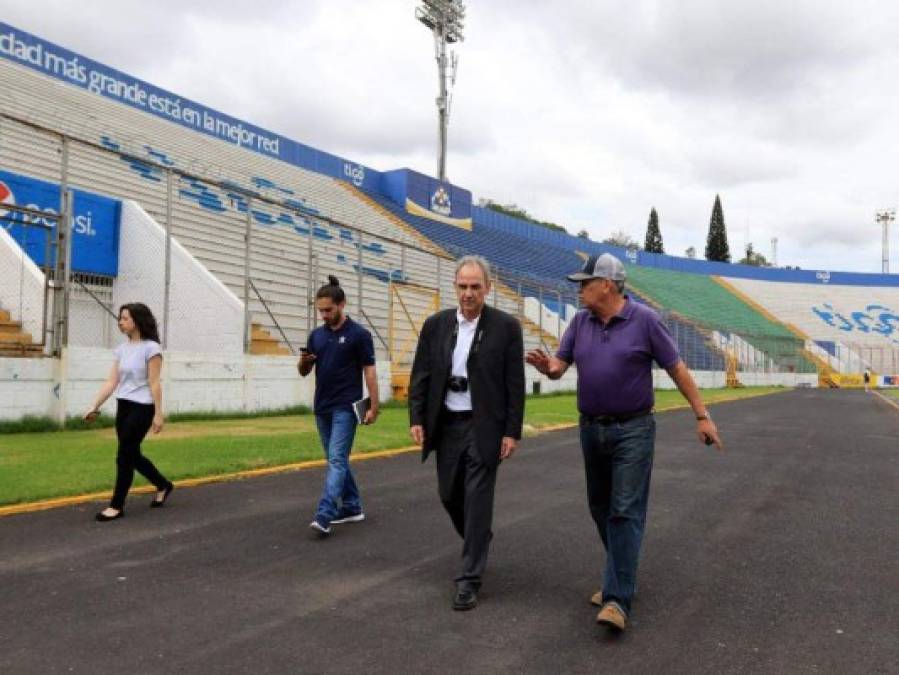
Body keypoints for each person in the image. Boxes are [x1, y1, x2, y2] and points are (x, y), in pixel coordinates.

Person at [526, 253, 723, 632]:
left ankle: (617, 599)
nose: (579, 289)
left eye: (585, 282)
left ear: (608, 285)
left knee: (624, 511)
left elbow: (676, 368)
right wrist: (546, 367)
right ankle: (620, 575)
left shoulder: (646, 321)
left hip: (633, 429)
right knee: (600, 507)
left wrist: (702, 415)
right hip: (591, 428)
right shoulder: (579, 323)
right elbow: (559, 368)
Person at [408, 255, 525, 611]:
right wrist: (417, 418)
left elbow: (514, 384)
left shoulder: (506, 327)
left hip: (485, 425)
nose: (469, 293)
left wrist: (511, 431)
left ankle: (469, 578)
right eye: (463, 286)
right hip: (447, 424)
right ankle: (479, 538)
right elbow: (421, 375)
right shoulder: (436, 325)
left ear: (488, 288)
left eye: (476, 287)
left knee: (477, 499)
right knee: (448, 494)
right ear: (454, 287)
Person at [299, 275, 379, 537]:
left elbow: (369, 371)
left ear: (342, 304)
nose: (323, 315)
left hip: (346, 406)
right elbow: (303, 371)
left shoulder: (359, 335)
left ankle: (325, 513)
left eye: (328, 310)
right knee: (337, 460)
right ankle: (353, 506)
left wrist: (373, 405)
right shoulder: (316, 336)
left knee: (335, 459)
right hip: (322, 405)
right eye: (320, 310)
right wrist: (305, 361)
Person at [84, 303, 173, 522]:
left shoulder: (151, 348)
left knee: (124, 455)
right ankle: (163, 484)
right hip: (123, 405)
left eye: (125, 318)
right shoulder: (121, 349)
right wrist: (94, 406)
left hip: (142, 407)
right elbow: (112, 381)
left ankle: (116, 506)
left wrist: (158, 414)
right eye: (120, 318)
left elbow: (154, 383)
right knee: (132, 454)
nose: (120, 321)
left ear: (137, 320)